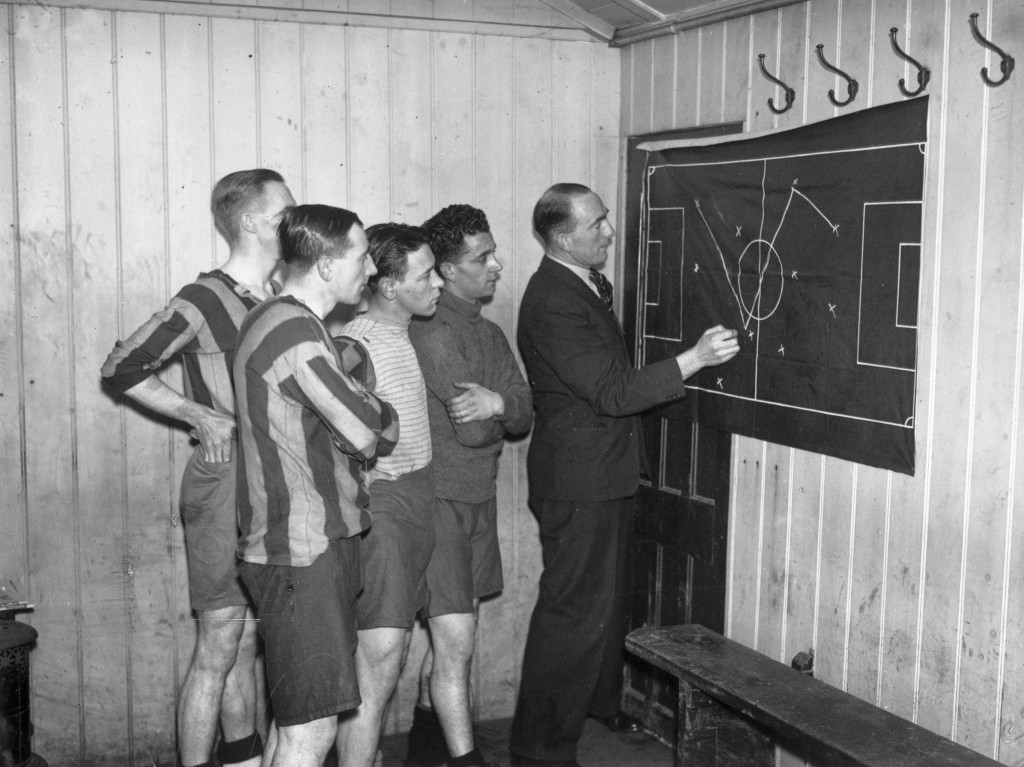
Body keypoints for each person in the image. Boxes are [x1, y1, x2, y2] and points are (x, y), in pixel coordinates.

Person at [509, 183, 740, 767]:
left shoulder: (580, 283)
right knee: (574, 616)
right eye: (598, 225)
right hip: (580, 480)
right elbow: (611, 393)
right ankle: (540, 753)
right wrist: (694, 359)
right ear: (564, 238)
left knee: (594, 612)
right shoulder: (554, 300)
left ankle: (580, 718)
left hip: (599, 474)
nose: (610, 231)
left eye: (606, 218)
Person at [101, 169, 296, 767]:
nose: (295, 221)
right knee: (220, 641)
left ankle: (241, 757)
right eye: (285, 212)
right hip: (224, 481)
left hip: (274, 483)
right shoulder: (207, 296)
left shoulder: (281, 296)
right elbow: (122, 366)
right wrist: (197, 414)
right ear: (250, 222)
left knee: (245, 641)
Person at [233, 204, 399, 767]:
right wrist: (372, 409)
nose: (372, 269)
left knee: (294, 724)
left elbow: (364, 420)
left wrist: (366, 409)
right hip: (303, 551)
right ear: (326, 265)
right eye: (361, 256)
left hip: (308, 547)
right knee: (311, 732)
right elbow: (368, 431)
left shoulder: (296, 324)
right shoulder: (293, 330)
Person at [404, 205, 533, 767]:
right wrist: (494, 411)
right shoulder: (431, 331)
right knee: (455, 647)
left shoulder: (490, 332)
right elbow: (475, 430)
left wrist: (499, 401)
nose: (497, 266)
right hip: (440, 504)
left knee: (451, 646)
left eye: (493, 252)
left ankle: (421, 755)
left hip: (477, 499)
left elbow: (522, 415)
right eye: (482, 258)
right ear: (449, 271)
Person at [333, 223, 445, 767]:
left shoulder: (404, 335)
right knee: (378, 661)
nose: (439, 282)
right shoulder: (358, 346)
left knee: (389, 659)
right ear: (389, 286)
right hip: (386, 511)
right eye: (426, 274)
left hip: (419, 500)